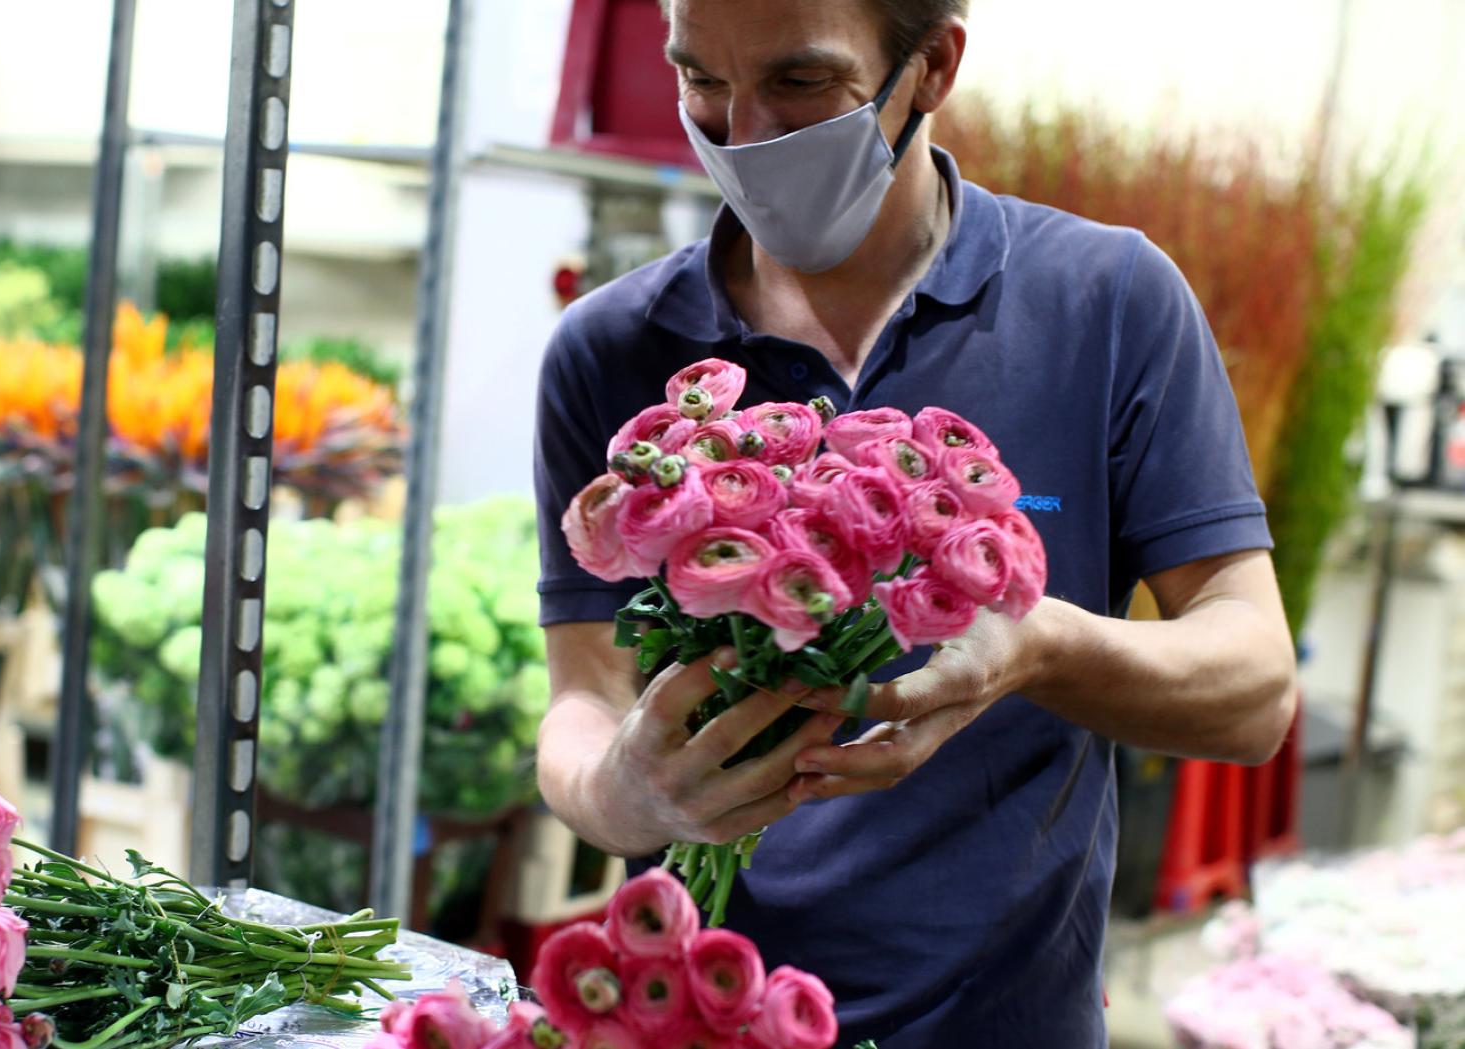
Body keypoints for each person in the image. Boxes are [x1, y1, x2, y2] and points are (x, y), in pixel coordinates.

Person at [531, 0, 1300, 1044]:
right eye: (701, 79)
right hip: (700, 1011)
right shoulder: (610, 348)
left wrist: (1036, 646)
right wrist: (621, 794)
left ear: (932, 65)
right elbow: (583, 692)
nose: (743, 135)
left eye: (801, 83)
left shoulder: (1106, 303)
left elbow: (1254, 687)